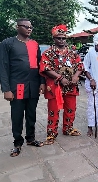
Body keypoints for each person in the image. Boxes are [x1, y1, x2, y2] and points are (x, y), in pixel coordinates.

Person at [0, 18, 45, 157]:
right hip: (17, 85)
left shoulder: (35, 44)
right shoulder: (7, 43)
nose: (29, 29)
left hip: (33, 85)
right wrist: (6, 89)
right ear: (17, 27)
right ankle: (17, 142)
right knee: (17, 115)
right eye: (26, 26)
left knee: (32, 114)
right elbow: (3, 66)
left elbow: (40, 65)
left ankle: (30, 138)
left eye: (31, 26)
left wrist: (42, 82)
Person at [39, 24, 84, 145]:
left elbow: (80, 65)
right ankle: (51, 134)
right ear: (54, 38)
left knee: (71, 108)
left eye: (63, 38)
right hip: (55, 86)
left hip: (71, 86)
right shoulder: (48, 53)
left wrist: (75, 76)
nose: (61, 40)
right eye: (59, 38)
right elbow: (45, 68)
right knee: (53, 110)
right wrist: (59, 77)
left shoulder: (72, 53)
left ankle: (68, 128)